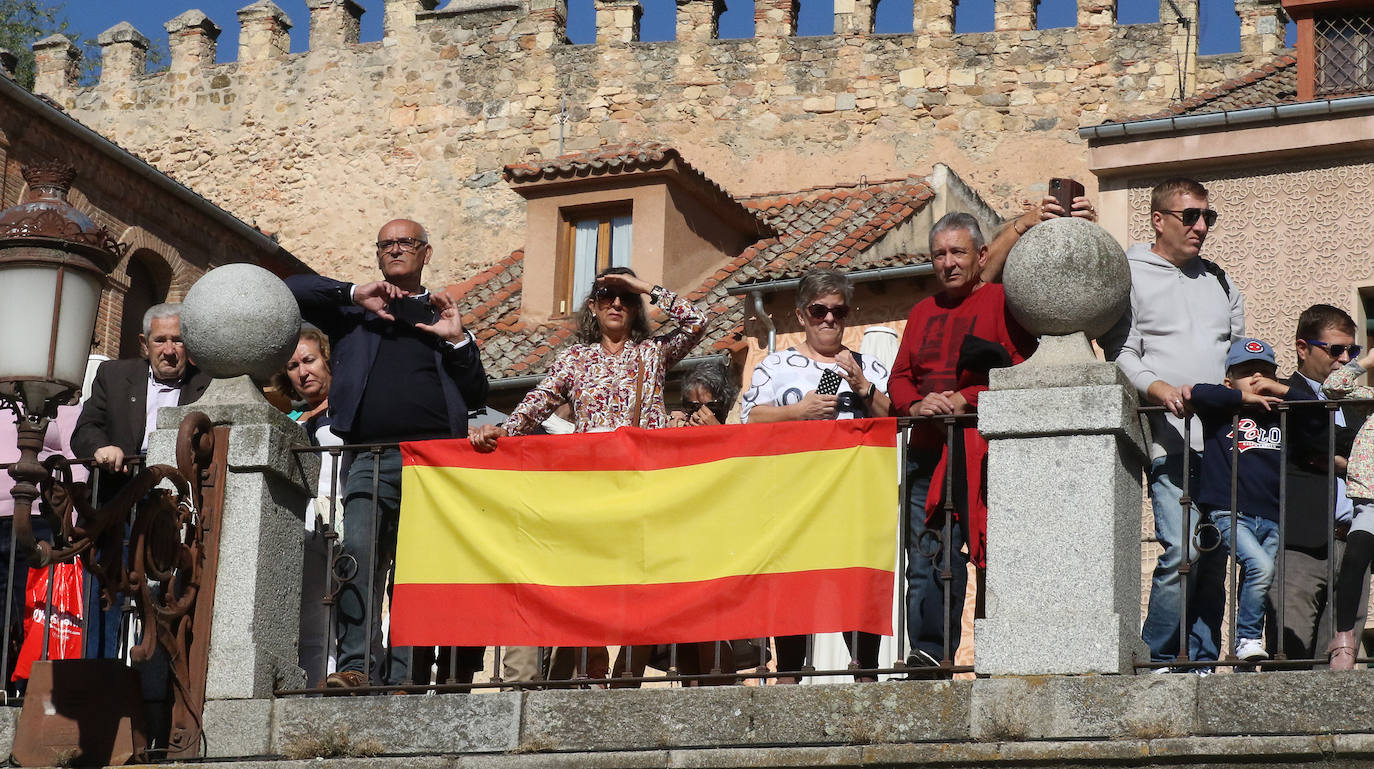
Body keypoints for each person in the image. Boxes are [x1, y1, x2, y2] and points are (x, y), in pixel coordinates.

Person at [469, 266, 708, 686]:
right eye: (606, 295)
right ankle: (587, 664)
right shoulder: (574, 359)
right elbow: (538, 403)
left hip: (641, 486)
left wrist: (643, 286)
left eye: (625, 298)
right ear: (593, 307)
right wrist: (502, 433)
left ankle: (625, 677)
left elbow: (697, 322)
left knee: (642, 584)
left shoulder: (651, 353)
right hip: (589, 488)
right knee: (584, 581)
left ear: (636, 308)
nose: (617, 304)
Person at [286, 218, 489, 689]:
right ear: (378, 255)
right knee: (356, 554)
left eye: (406, 243)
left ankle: (403, 676)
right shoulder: (354, 312)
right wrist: (353, 292)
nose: (396, 250)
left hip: (433, 461)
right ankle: (357, 666)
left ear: (426, 253)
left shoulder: (441, 314)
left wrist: (456, 339)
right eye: (387, 244)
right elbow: (291, 289)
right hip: (369, 454)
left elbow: (477, 392)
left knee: (415, 571)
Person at [1101, 178, 1243, 670]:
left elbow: (1237, 363)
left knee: (1215, 553)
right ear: (1159, 220)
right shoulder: (1131, 273)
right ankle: (1157, 654)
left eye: (1208, 217)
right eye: (1190, 216)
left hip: (1223, 442)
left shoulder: (1221, 281)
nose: (1201, 226)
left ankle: (1201, 661)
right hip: (1169, 438)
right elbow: (1120, 353)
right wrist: (1158, 389)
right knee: (1182, 549)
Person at [888, 213, 1036, 674]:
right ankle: (929, 656)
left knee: (992, 554)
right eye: (940, 254)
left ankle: (998, 657)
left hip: (983, 452)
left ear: (981, 256)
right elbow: (900, 378)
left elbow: (1022, 369)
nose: (949, 263)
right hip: (928, 453)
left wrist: (964, 399)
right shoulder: (921, 311)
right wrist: (915, 406)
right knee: (928, 556)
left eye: (958, 253)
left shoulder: (1001, 301)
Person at [740, 268, 893, 683]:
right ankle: (788, 677)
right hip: (795, 495)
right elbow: (749, 419)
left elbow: (894, 419)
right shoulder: (775, 365)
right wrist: (797, 412)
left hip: (854, 497)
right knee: (794, 583)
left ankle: (866, 676)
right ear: (801, 315)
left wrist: (863, 387)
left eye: (838, 312)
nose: (829, 319)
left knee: (855, 583)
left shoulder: (869, 366)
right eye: (819, 310)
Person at [71, 303, 211, 659]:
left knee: (166, 599)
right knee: (105, 598)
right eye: (160, 340)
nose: (169, 350)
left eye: (178, 341)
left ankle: (157, 680)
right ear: (143, 343)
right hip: (117, 503)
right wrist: (102, 448)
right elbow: (85, 430)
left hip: (176, 511)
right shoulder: (114, 376)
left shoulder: (207, 383)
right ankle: (99, 675)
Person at [1269, 304, 1366, 666]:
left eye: (1352, 351)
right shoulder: (1284, 395)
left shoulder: (1357, 402)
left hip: (1353, 542)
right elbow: (1314, 437)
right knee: (1288, 656)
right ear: (1302, 347)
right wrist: (1352, 454)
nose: (1344, 359)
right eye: (1335, 349)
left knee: (1340, 664)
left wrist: (1340, 460)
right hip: (1300, 541)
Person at [1187, 338, 1290, 664]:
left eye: (1265, 372)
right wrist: (1243, 397)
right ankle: (1246, 638)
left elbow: (1312, 405)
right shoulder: (1222, 409)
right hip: (1229, 511)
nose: (1257, 378)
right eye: (1248, 372)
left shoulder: (1281, 412)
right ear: (1230, 381)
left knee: (1257, 576)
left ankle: (1247, 656)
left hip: (1270, 514)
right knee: (1261, 567)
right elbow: (1198, 392)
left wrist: (1279, 390)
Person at [272, 327, 344, 688]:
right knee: (312, 619)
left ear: (327, 358)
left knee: (353, 615)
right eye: (292, 365)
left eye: (309, 360)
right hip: (305, 526)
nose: (302, 371)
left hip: (348, 518)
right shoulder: (290, 423)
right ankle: (316, 692)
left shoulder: (352, 409)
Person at [1321, 345, 1374, 669]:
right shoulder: (1369, 402)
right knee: (1353, 561)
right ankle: (1344, 641)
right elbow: (1333, 386)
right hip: (1371, 503)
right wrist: (1365, 361)